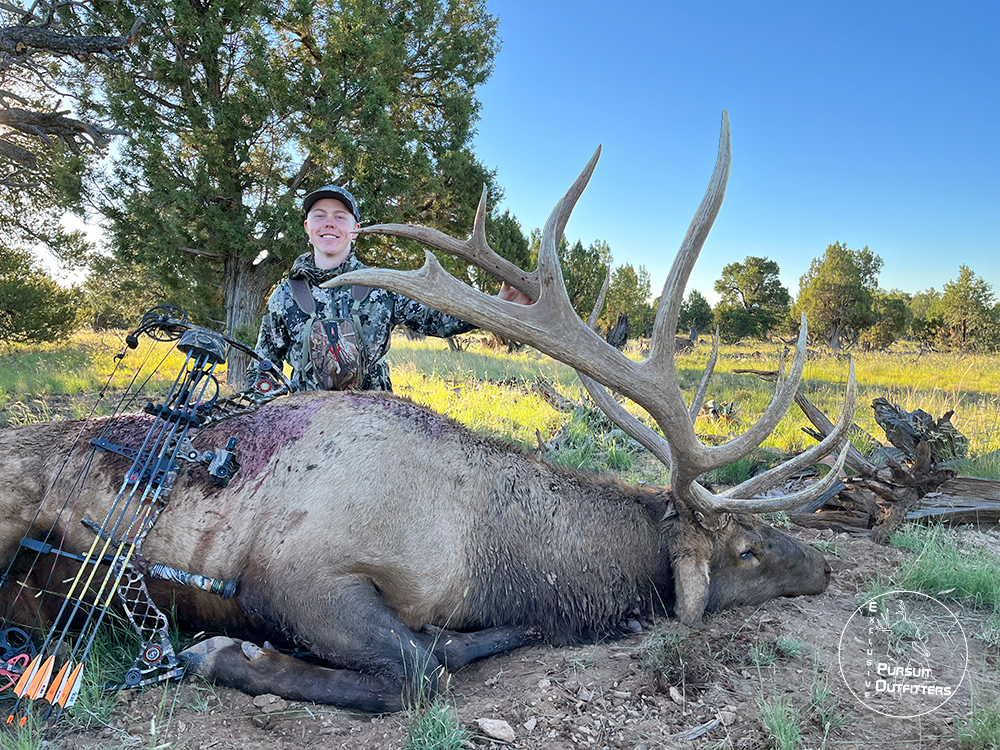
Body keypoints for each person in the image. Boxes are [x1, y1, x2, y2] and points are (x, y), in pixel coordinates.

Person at [247, 184, 530, 394]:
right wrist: (277, 415)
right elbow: (262, 366)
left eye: (340, 217)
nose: (329, 223)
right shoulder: (285, 295)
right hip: (306, 426)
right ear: (308, 227)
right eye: (320, 216)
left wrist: (498, 301)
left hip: (376, 426)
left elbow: (439, 319)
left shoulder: (382, 285)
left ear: (356, 229)